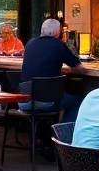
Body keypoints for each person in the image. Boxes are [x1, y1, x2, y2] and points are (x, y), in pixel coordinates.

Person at [18, 19, 85, 154]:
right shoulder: (57, 45)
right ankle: (60, 138)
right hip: (46, 101)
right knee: (80, 101)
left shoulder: (30, 43)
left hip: (23, 101)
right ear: (57, 32)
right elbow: (79, 68)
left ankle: (43, 137)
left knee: (55, 97)